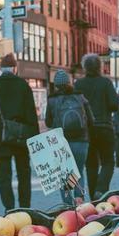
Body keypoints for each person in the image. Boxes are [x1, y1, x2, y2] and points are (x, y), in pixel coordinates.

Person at [0, 54, 39, 211]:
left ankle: (9, 208)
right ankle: (25, 207)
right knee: (24, 173)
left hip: (0, 138)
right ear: (15, 69)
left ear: (0, 69)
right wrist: (34, 139)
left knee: (3, 177)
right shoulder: (23, 86)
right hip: (21, 137)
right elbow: (32, 115)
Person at [45, 70, 94, 205]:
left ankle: (68, 205)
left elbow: (48, 122)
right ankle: (80, 200)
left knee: (65, 174)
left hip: (62, 142)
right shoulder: (80, 97)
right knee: (78, 171)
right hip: (81, 141)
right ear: (69, 82)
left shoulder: (52, 100)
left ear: (55, 84)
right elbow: (91, 120)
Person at [75, 54, 119, 200]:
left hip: (87, 130)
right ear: (99, 67)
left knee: (91, 164)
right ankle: (101, 189)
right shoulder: (105, 83)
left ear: (84, 67)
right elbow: (115, 104)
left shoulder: (78, 84)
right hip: (105, 127)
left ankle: (95, 198)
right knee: (108, 161)